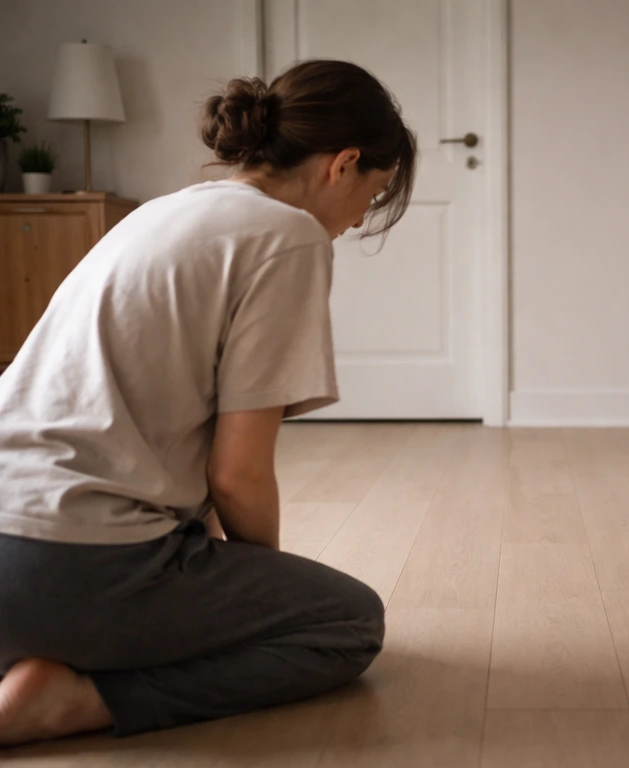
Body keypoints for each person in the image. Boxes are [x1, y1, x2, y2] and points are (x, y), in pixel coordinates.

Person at [0, 59, 417, 746]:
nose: (356, 220)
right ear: (343, 164)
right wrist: (262, 584)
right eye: (372, 197)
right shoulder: (288, 238)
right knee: (345, 624)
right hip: (64, 562)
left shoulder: (163, 213)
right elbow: (237, 475)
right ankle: (77, 701)